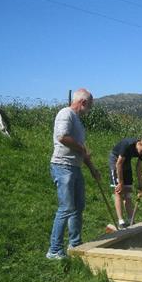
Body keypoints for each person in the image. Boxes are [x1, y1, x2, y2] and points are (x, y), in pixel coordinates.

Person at [47, 88, 100, 260]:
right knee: (66, 208)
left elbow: (81, 151)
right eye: (90, 105)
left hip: (74, 167)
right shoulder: (66, 114)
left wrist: (92, 169)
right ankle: (54, 250)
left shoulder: (78, 121)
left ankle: (75, 244)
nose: (90, 109)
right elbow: (62, 137)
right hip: (62, 167)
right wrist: (81, 147)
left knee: (78, 206)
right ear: (83, 102)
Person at [109, 135, 142, 228]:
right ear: (140, 143)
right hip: (116, 160)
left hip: (126, 161)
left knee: (128, 193)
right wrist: (121, 183)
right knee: (119, 192)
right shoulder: (128, 145)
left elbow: (138, 166)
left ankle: (131, 220)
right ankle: (121, 221)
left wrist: (140, 182)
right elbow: (119, 164)